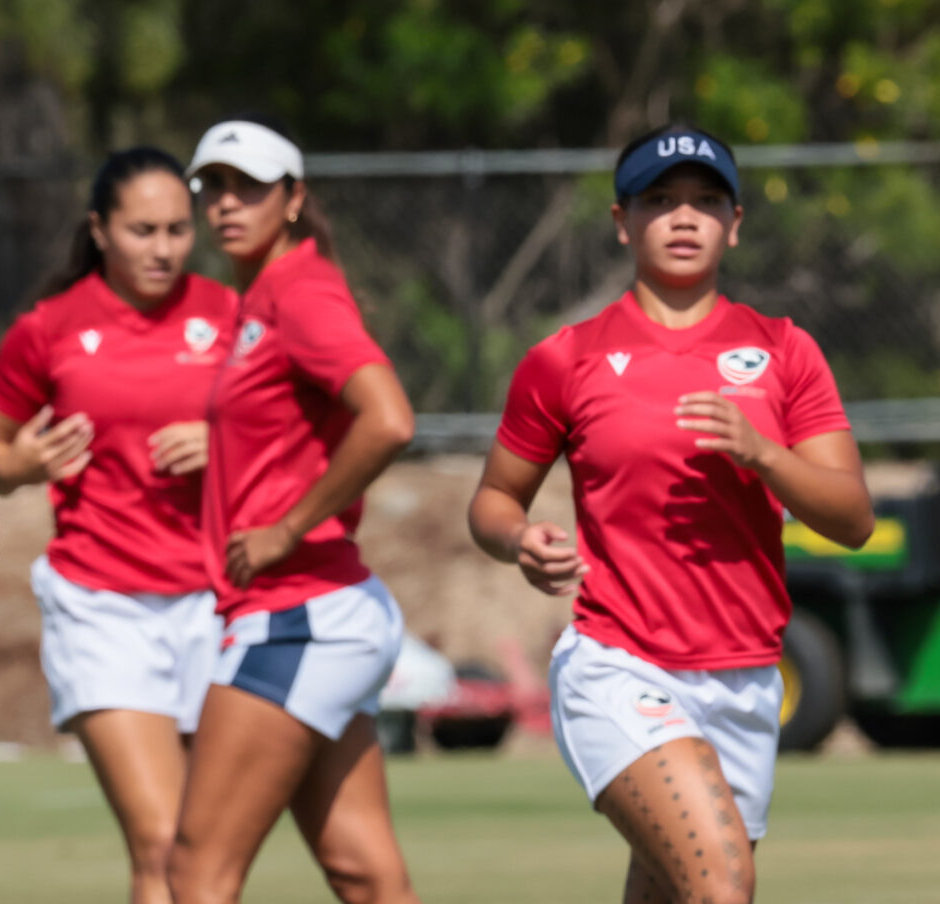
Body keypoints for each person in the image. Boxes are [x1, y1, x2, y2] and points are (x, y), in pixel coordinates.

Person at [467, 124, 873, 904]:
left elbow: (852, 517)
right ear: (622, 223)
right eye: (660, 200)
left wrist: (765, 454)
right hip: (620, 664)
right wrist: (519, 539)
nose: (684, 217)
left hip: (747, 679)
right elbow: (492, 501)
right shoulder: (566, 357)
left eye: (705, 200)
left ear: (736, 222)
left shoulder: (786, 351)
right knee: (720, 887)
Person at [168, 115, 421, 904]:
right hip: (318, 613)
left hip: (297, 614)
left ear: (295, 197)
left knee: (195, 873)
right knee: (363, 873)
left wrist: (287, 526)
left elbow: (389, 418)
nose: (226, 203)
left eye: (249, 187)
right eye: (213, 186)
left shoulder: (301, 292)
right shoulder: (264, 297)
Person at [0, 147, 234, 904]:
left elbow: (302, 440)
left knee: (207, 852)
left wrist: (230, 445)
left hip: (222, 606)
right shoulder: (49, 329)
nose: (164, 249)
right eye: (143, 230)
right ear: (99, 230)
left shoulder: (233, 316)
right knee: (162, 843)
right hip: (103, 607)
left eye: (180, 231)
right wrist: (22, 463)